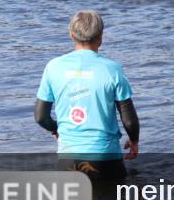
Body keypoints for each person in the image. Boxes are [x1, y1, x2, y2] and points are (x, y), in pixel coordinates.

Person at [35, 10, 140, 181]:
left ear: (71, 35)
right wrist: (134, 141)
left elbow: (40, 117)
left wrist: (56, 128)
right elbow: (129, 118)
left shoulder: (53, 67)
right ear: (100, 37)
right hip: (106, 159)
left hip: (68, 160)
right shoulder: (112, 69)